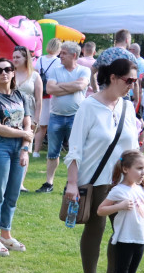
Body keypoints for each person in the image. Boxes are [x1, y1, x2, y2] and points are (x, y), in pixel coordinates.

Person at [63, 58, 139, 273]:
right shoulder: (89, 106)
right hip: (95, 179)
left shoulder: (127, 107)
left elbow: (133, 147)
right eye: (129, 80)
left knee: (123, 228)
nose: (132, 85)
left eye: (136, 81)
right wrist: (72, 183)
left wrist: (138, 180)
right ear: (113, 78)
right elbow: (74, 148)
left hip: (122, 180)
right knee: (96, 226)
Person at [0, 57, 32, 256]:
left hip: (19, 148)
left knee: (12, 194)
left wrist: (25, 148)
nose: (4, 73)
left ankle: (6, 234)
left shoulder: (21, 96)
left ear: (13, 73)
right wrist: (24, 135)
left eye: (8, 69)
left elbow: (28, 123)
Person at [38, 41, 91, 193]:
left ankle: (73, 183)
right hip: (56, 116)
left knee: (75, 151)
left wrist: (59, 87)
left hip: (76, 117)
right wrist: (71, 87)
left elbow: (81, 86)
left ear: (74, 55)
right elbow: (49, 89)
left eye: (64, 53)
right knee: (52, 152)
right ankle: (49, 183)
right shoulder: (56, 69)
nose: (60, 56)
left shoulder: (84, 70)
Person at [12, 45, 40, 192]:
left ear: (25, 58)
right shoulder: (10, 73)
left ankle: (20, 182)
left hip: (29, 113)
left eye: (18, 57)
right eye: (14, 57)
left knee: (26, 146)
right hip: (13, 114)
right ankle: (10, 179)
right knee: (12, 145)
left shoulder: (34, 76)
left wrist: (36, 120)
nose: (15, 59)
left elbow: (39, 100)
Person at [31, 38, 62, 157]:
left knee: (40, 123)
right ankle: (46, 150)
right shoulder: (58, 62)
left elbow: (36, 73)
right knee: (49, 125)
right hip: (52, 94)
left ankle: (36, 150)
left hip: (40, 93)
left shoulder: (40, 59)